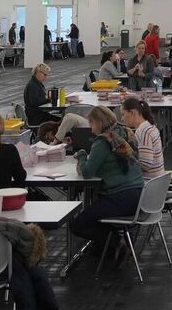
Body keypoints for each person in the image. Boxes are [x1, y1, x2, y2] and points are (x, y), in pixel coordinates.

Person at [68, 105, 144, 262]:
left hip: (119, 198)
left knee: (76, 225)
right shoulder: (126, 133)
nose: (90, 128)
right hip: (140, 196)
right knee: (98, 215)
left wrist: (82, 154)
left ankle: (118, 243)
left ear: (98, 122)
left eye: (91, 123)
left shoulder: (103, 142)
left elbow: (87, 173)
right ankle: (108, 247)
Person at [121, 97, 163, 180]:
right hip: (158, 180)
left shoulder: (143, 131)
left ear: (132, 112)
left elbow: (145, 165)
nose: (122, 118)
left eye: (123, 114)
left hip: (148, 182)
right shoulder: (149, 126)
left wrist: (126, 158)